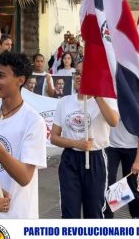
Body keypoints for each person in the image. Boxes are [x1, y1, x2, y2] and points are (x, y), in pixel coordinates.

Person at [0, 52, 47, 219]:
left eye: (1, 76)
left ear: (20, 80)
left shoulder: (33, 122)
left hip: (17, 217)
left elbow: (25, 177)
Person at [50, 61, 119, 218]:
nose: (80, 77)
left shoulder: (106, 99)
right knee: (69, 211)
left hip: (95, 159)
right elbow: (54, 137)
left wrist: (96, 95)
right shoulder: (65, 102)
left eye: (85, 73)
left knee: (94, 211)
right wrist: (76, 144)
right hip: (70, 159)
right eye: (78, 73)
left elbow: (114, 121)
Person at [104, 121, 139, 219]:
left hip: (133, 148)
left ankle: (137, 216)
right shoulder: (111, 104)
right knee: (108, 183)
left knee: (131, 184)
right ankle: (107, 219)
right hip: (111, 147)